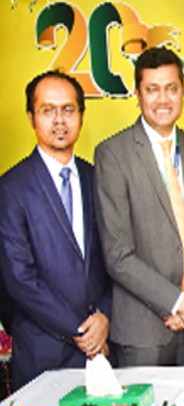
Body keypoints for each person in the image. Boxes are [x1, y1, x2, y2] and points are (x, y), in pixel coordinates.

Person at [95, 47, 184, 366]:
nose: (163, 99)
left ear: (183, 92)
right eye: (152, 89)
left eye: (171, 88)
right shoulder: (113, 154)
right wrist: (177, 303)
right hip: (142, 335)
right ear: (137, 94)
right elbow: (117, 255)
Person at [0, 71, 112, 389]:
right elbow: (20, 279)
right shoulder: (11, 189)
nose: (59, 120)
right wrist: (81, 332)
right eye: (48, 110)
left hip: (102, 352)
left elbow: (115, 257)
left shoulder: (97, 179)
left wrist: (105, 316)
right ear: (31, 117)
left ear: (81, 115)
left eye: (68, 109)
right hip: (44, 354)